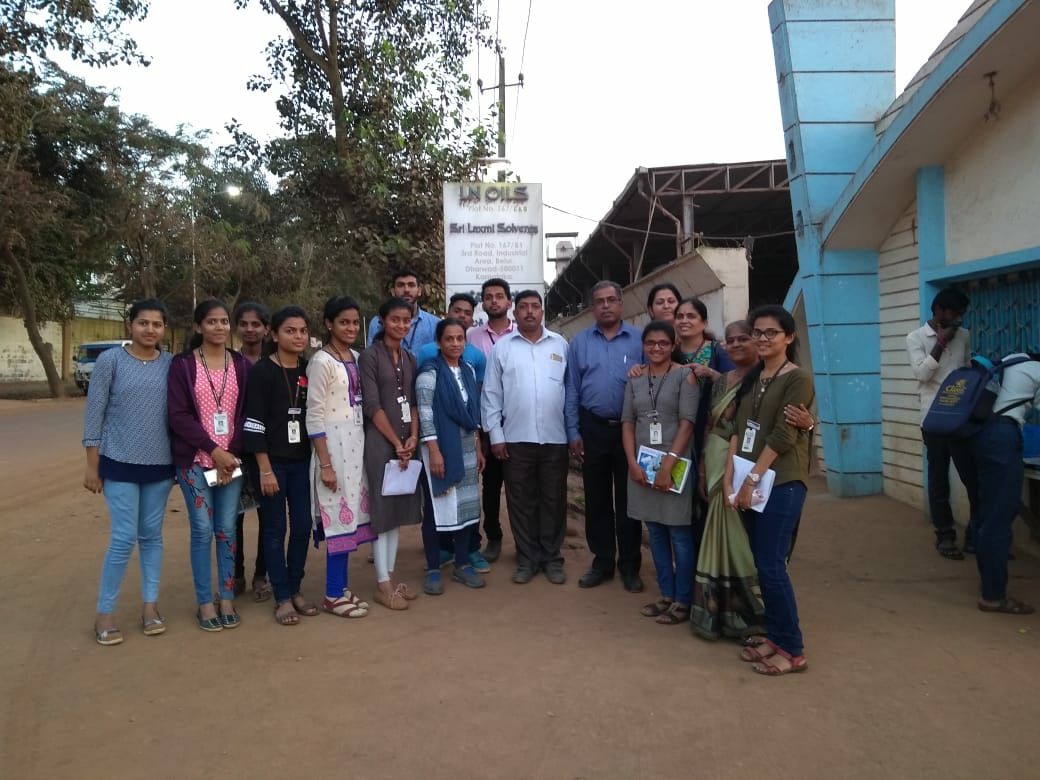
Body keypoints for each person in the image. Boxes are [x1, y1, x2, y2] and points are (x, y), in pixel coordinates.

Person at [725, 305, 815, 676]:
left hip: (781, 481)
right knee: (763, 564)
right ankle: (774, 638)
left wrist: (751, 480)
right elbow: (737, 428)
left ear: (789, 337)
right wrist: (731, 477)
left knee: (773, 565)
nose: (762, 339)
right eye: (757, 332)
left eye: (771, 333)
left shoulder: (798, 379)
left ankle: (792, 650)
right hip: (749, 479)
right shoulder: (755, 377)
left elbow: (783, 434)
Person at [83, 298, 174, 646]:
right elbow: (95, 412)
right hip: (118, 462)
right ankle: (104, 614)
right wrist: (92, 465)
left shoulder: (171, 364)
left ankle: (150, 607)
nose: (150, 330)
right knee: (123, 537)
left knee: (151, 536)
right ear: (130, 325)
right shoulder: (111, 361)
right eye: (143, 323)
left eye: (157, 324)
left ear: (164, 329)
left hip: (160, 466)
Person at [168, 299, 249, 632]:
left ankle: (226, 597)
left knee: (227, 529)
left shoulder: (240, 364)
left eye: (224, 321)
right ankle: (204, 602)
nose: (219, 327)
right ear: (198, 326)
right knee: (202, 529)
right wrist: (214, 451)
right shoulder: (183, 365)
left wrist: (230, 455)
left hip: (231, 461)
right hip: (195, 460)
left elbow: (246, 414)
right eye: (212, 321)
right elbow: (178, 416)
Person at [482, 290, 570, 585]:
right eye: (523, 307)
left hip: (555, 438)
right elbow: (491, 395)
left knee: (554, 500)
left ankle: (552, 558)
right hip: (515, 438)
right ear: (515, 312)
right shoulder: (503, 348)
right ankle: (527, 558)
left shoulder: (560, 344)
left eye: (535, 306)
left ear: (543, 311)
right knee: (520, 501)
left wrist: (573, 433)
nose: (530, 311)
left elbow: (570, 391)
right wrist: (496, 435)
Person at [565, 281, 645, 592]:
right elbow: (572, 389)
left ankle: (630, 565)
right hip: (593, 428)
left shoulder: (639, 340)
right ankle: (602, 562)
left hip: (629, 431)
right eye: (599, 301)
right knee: (596, 499)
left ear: (621, 303)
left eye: (611, 299)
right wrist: (573, 431)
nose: (606, 305)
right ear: (592, 307)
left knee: (629, 500)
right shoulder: (579, 343)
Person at [690, 320, 766, 640]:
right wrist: (703, 469)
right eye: (730, 340)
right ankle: (718, 614)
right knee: (716, 530)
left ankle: (752, 614)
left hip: (746, 464)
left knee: (741, 537)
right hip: (714, 458)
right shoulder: (722, 381)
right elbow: (710, 423)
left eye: (742, 339)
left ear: (756, 341)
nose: (735, 345)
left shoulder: (765, 379)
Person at [242, 305, 317, 626]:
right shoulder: (262, 371)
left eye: (303, 331)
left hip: (302, 461)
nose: (298, 337)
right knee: (275, 529)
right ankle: (282, 597)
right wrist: (265, 469)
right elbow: (254, 423)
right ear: (274, 334)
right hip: (271, 464)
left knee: (303, 525)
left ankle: (295, 587)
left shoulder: (308, 369)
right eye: (290, 330)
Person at [622, 321, 699, 625]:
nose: (656, 348)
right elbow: (628, 422)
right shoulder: (635, 379)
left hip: (674, 462)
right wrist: (632, 462)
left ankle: (683, 600)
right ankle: (666, 594)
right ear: (643, 346)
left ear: (673, 345)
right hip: (643, 463)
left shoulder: (685, 376)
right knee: (654, 530)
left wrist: (669, 464)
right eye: (650, 343)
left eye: (663, 343)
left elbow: (687, 423)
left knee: (678, 531)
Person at [306, 296, 375, 619]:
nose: (350, 328)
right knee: (336, 518)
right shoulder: (321, 362)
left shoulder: (357, 358)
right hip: (333, 449)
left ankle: (342, 586)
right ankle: (332, 594)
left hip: (355, 448)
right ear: (328, 324)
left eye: (354, 322)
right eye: (343, 322)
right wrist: (326, 464)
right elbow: (314, 415)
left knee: (350, 520)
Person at [417, 292, 489, 573]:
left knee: (467, 508)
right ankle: (434, 568)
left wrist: (478, 447)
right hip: (440, 450)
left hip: (467, 449)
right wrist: (435, 452)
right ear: (439, 342)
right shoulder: (429, 373)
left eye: (460, 339)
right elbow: (425, 415)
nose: (455, 343)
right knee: (437, 510)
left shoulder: (468, 370)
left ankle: (462, 563)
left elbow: (473, 415)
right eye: (449, 339)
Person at [359, 297, 423, 610]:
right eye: (395, 319)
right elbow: (372, 405)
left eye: (406, 320)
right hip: (381, 443)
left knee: (397, 511)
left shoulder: (409, 357)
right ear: (382, 321)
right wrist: (396, 442)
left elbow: (413, 402)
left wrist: (412, 437)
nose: (401, 325)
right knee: (382, 511)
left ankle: (392, 577)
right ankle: (382, 584)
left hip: (405, 444)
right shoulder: (369, 356)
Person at [906, 287, 977, 559]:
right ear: (938, 311)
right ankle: (945, 535)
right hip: (933, 419)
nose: (958, 319)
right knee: (939, 479)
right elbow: (922, 374)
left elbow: (966, 370)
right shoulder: (915, 338)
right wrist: (941, 343)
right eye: (954, 313)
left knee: (972, 477)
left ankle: (975, 534)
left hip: (961, 418)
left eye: (961, 314)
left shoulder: (964, 336)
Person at [968, 353, 1039, 615]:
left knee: (986, 514)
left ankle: (988, 583)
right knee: (999, 518)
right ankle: (993, 596)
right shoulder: (1037, 370)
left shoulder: (1006, 363)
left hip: (978, 436)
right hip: (1002, 438)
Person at [467, 277, 516, 563]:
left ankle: (526, 541)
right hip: (485, 422)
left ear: (509, 301)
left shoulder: (522, 333)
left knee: (521, 485)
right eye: (488, 297)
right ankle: (493, 537)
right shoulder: (471, 337)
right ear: (482, 303)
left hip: (518, 421)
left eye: (499, 296)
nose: (494, 301)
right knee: (491, 484)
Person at [232, 301, 271, 600]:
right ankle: (235, 574)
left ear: (266, 329)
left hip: (270, 451)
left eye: (256, 324)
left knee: (268, 515)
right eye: (244, 324)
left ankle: (261, 574)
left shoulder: (277, 361)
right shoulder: (228, 362)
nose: (250, 329)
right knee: (232, 516)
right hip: (233, 451)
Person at [366, 268, 441, 353]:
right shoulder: (378, 322)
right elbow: (372, 354)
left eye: (411, 285)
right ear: (393, 291)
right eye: (401, 285)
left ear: (419, 291)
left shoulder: (435, 324)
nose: (406, 290)